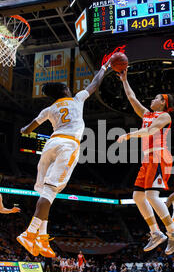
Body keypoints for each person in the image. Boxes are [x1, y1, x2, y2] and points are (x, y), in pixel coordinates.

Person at [17, 58, 112, 257]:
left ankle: (42, 239)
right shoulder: (77, 99)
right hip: (68, 145)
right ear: (66, 91)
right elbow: (94, 84)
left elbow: (28, 129)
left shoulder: (49, 109)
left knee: (45, 192)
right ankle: (30, 232)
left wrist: (23, 129)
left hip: (51, 144)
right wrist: (104, 67)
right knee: (50, 193)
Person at [116, 69, 174, 255]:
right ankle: (155, 232)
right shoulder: (146, 114)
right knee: (138, 197)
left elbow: (150, 132)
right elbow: (132, 98)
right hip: (148, 158)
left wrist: (129, 135)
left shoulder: (165, 116)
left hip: (159, 156)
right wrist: (124, 80)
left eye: (156, 98)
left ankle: (173, 231)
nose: (152, 100)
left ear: (163, 102)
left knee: (152, 196)